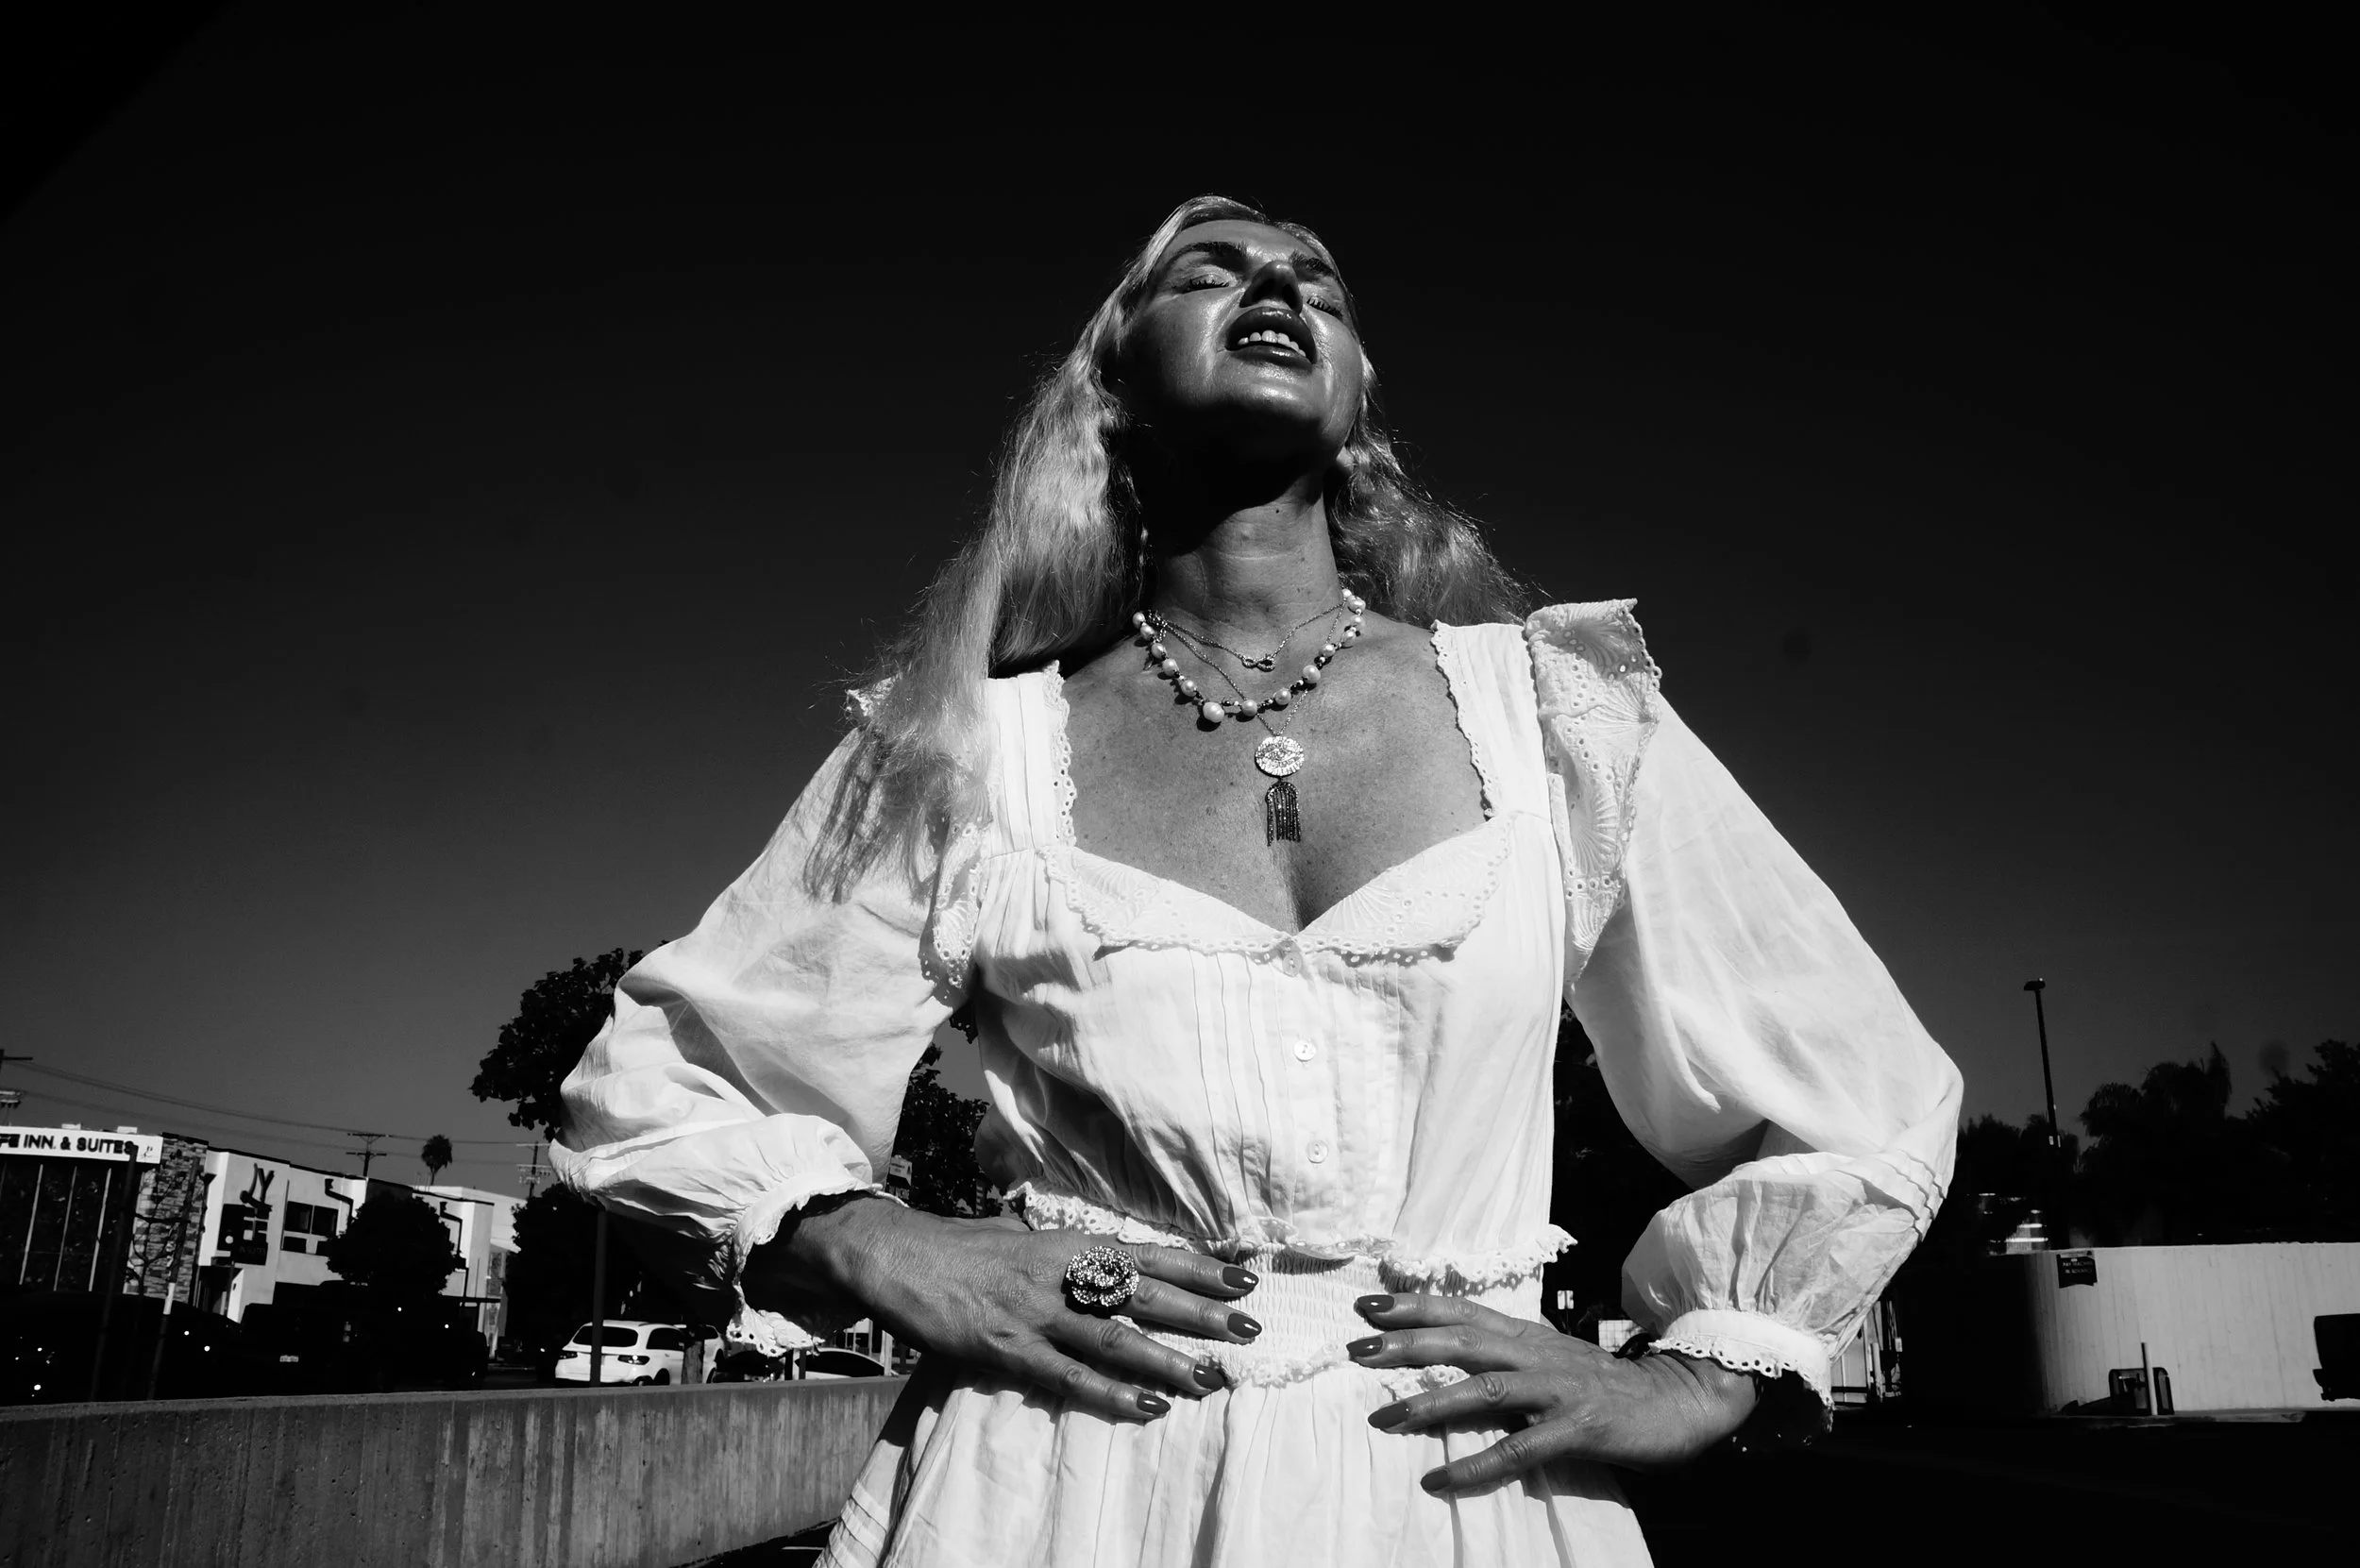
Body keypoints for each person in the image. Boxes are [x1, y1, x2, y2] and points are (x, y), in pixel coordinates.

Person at [553, 194, 1961, 1566]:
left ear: (1358, 399)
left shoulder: (1558, 718)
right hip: (1053, 1489)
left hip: (1463, 1493)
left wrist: (1708, 1371)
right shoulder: (969, 745)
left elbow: (1852, 1088)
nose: (1279, 287)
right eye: (1209, 271)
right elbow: (675, 1079)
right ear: (1113, 386)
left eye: (1319, 284)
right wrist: (875, 1244)